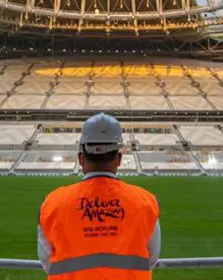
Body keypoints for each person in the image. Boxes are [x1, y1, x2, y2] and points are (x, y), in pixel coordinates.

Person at [37, 113, 161, 279]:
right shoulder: (145, 202)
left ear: (81, 159)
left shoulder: (53, 203)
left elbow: (46, 261)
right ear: (118, 159)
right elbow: (151, 258)